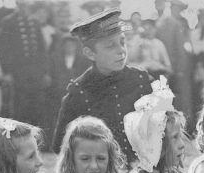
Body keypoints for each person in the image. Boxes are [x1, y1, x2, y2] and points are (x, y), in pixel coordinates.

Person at [51, 10, 152, 163]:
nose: (121, 50)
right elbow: (60, 145)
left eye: (122, 42)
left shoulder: (140, 79)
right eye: (110, 46)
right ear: (90, 53)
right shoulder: (79, 91)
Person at [0, 0, 48, 126]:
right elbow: (3, 49)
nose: (24, 7)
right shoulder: (8, 21)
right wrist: (7, 71)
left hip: (36, 72)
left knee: (38, 106)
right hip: (18, 72)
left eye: (27, 4)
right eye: (22, 4)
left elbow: (42, 49)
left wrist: (46, 72)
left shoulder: (35, 22)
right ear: (17, 4)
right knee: (20, 106)